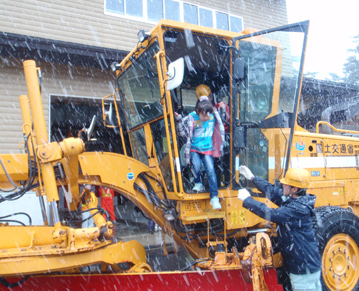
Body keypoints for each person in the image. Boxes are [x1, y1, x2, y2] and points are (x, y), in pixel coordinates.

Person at [237, 166, 322, 291]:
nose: (282, 186)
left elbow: (272, 214)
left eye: (285, 184)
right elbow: (271, 190)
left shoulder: (297, 209)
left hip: (304, 269)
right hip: (303, 264)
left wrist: (248, 200)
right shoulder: (294, 200)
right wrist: (253, 178)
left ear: (295, 189)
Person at [176, 96, 224, 210]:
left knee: (210, 170)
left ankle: (214, 197)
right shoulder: (191, 118)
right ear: (197, 112)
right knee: (196, 165)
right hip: (194, 148)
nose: (206, 118)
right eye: (203, 115)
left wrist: (221, 106)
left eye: (208, 115)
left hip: (208, 148)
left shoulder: (213, 117)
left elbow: (224, 118)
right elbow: (181, 132)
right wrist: (178, 119)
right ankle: (198, 183)